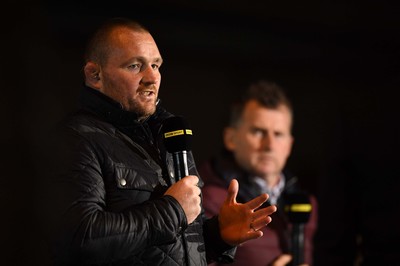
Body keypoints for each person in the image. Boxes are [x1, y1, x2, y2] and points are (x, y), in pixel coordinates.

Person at [38, 17, 277, 266]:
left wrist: (218, 236)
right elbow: (79, 239)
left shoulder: (169, 138)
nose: (152, 78)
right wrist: (172, 210)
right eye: (135, 66)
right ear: (94, 74)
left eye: (156, 65)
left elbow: (166, 250)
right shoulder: (74, 138)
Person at [199, 80, 318, 266]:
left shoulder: (307, 203)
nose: (269, 145)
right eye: (258, 132)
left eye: (278, 134)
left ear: (289, 145)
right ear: (231, 138)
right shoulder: (206, 200)